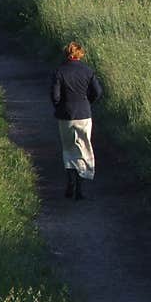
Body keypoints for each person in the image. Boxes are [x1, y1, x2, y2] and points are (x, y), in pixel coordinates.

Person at [51, 41, 103, 200]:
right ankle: (80, 187)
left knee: (68, 149)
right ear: (79, 54)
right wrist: (88, 102)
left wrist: (59, 107)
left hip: (66, 115)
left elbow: (55, 96)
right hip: (84, 114)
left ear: (66, 53)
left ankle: (70, 180)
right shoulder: (88, 71)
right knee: (84, 147)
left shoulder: (59, 71)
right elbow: (98, 92)